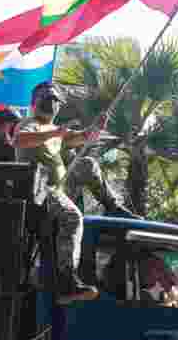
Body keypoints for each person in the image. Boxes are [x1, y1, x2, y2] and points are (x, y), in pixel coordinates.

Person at [13, 82, 130, 303]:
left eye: (54, 101)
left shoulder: (55, 131)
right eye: (45, 100)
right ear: (34, 104)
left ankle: (113, 206)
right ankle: (67, 281)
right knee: (73, 217)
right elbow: (18, 140)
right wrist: (55, 133)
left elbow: (84, 137)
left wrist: (97, 127)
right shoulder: (29, 124)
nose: (50, 105)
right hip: (40, 190)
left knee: (87, 164)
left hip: (61, 186)